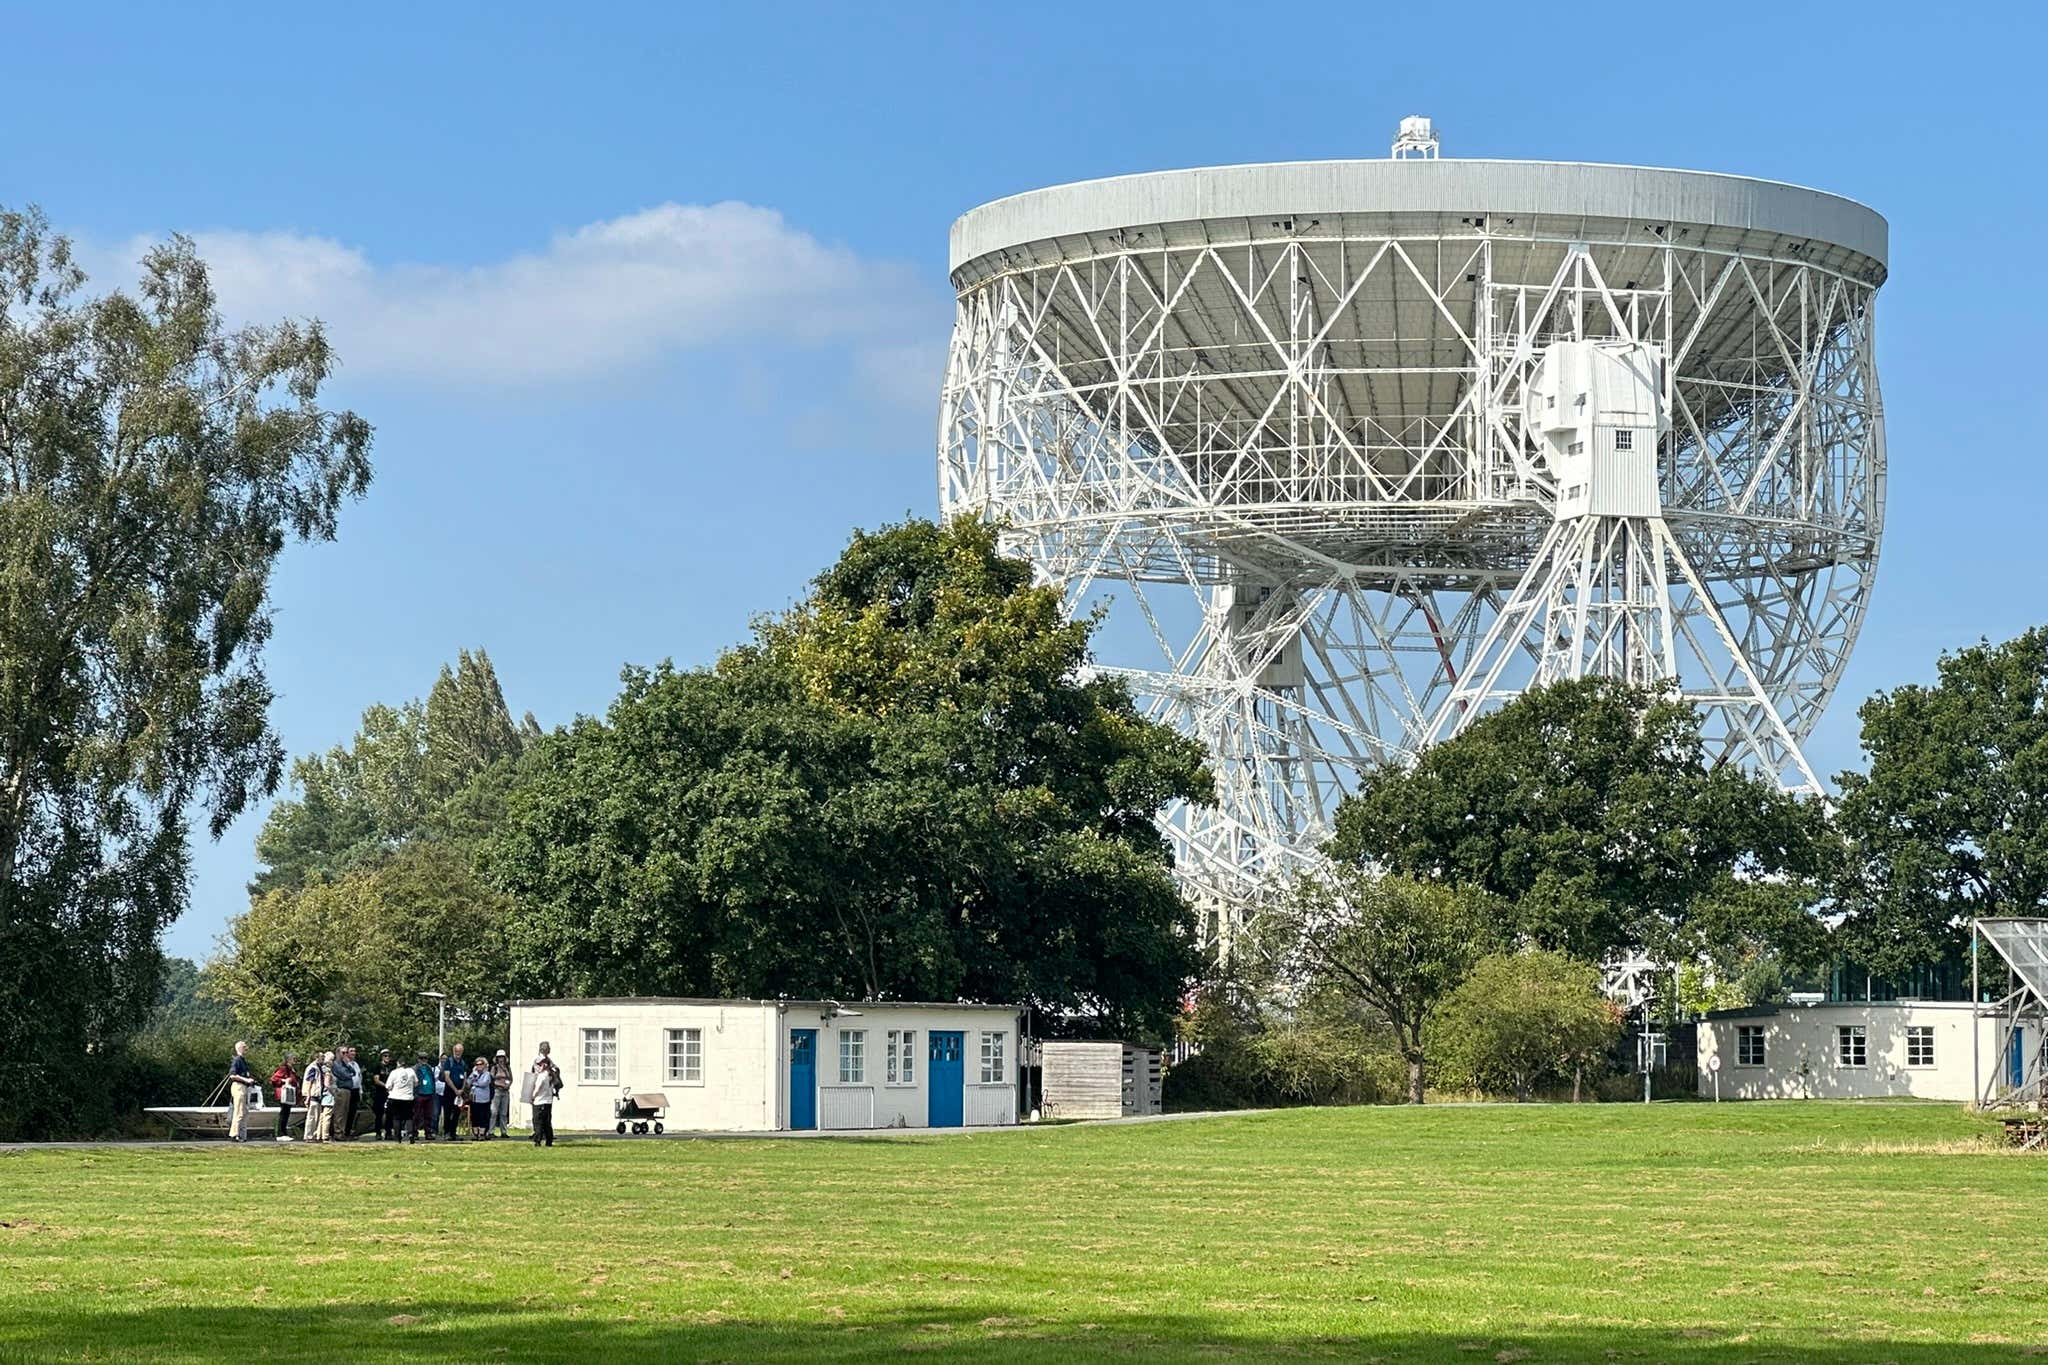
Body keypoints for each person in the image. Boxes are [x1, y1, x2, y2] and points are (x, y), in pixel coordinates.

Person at [527, 1042, 562, 1148]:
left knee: (537, 1121)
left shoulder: (542, 1075)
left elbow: (537, 1088)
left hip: (539, 1100)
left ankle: (537, 1140)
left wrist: (531, 1097)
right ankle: (549, 1140)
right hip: (548, 1100)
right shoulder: (551, 1075)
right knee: (547, 1121)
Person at [227, 1041, 260, 1143]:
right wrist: (246, 1080)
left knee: (244, 1112)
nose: (247, 1048)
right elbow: (232, 1075)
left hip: (244, 1088)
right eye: (245, 1046)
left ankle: (242, 1135)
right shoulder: (237, 1060)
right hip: (238, 1087)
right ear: (240, 1048)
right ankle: (234, 1134)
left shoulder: (243, 1061)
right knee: (239, 1111)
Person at [438, 1043, 469, 1141]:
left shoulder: (463, 1063)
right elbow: (447, 1077)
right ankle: (447, 1133)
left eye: (460, 1051)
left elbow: (465, 1077)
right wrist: (455, 1090)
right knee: (447, 1112)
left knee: (457, 1112)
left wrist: (462, 1090)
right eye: (456, 1050)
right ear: (453, 1051)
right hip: (450, 1091)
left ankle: (453, 1132)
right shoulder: (449, 1062)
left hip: (459, 1092)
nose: (458, 1053)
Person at [386, 1050, 418, 1143]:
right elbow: (416, 1083)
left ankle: (397, 1137)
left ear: (398, 1063)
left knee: (397, 1117)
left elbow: (388, 1086)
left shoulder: (394, 1072)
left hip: (396, 1097)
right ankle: (411, 1134)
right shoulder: (411, 1071)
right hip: (408, 1098)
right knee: (409, 1117)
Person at [302, 1051, 333, 1143]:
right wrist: (308, 1096)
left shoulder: (320, 1068)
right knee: (312, 1116)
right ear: (316, 1058)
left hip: (319, 1095)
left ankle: (314, 1135)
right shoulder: (313, 1068)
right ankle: (308, 1136)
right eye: (321, 1057)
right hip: (313, 1095)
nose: (323, 1059)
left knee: (317, 1117)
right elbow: (309, 1082)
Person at [270, 1053, 300, 1144]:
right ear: (288, 1059)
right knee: (284, 1113)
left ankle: (284, 1132)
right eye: (293, 1058)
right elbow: (274, 1079)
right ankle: (280, 1133)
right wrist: (284, 1081)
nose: (294, 1060)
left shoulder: (291, 1069)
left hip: (290, 1095)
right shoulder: (283, 1068)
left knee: (286, 1112)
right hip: (284, 1094)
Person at [333, 1046, 362, 1139]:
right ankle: (337, 1132)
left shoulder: (346, 1064)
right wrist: (348, 1072)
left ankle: (343, 1132)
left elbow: (354, 1073)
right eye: (343, 1053)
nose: (346, 1055)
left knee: (346, 1113)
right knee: (340, 1113)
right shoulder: (336, 1064)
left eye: (346, 1052)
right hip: (341, 1089)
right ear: (338, 1053)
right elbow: (344, 1075)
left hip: (349, 1090)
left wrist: (347, 1065)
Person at [368, 1049, 393, 1141]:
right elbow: (376, 1080)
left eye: (389, 1056)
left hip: (390, 1093)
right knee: (379, 1113)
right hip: (380, 1092)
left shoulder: (392, 1067)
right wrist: (386, 1086)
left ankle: (389, 1132)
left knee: (390, 1113)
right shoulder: (378, 1066)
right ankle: (378, 1132)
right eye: (385, 1056)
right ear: (382, 1057)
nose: (387, 1058)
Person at [467, 1055, 493, 1139]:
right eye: (477, 1064)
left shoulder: (487, 1074)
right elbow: (468, 1082)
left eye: (481, 1064)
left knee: (483, 1116)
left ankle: (482, 1134)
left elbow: (484, 1083)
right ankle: (475, 1133)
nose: (479, 1066)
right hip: (474, 1098)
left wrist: (474, 1082)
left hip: (484, 1099)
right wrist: (474, 1078)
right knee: (475, 1116)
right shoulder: (474, 1073)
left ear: (484, 1065)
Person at [411, 1051, 436, 1142]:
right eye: (422, 1058)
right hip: (419, 1093)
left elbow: (432, 1079)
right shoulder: (414, 1069)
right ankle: (414, 1133)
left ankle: (428, 1132)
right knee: (416, 1114)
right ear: (418, 1059)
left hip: (429, 1093)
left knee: (428, 1115)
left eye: (425, 1058)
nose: (424, 1060)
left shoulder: (429, 1068)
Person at [489, 1049, 513, 1139]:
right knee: (494, 1112)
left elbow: (511, 1078)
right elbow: (491, 1079)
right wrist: (500, 1084)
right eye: (499, 1057)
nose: (501, 1059)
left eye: (502, 1057)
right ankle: (491, 1131)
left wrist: (508, 1085)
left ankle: (504, 1131)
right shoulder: (494, 1068)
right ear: (497, 1058)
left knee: (503, 1113)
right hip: (497, 1091)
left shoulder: (507, 1068)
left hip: (505, 1092)